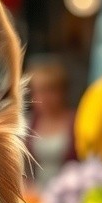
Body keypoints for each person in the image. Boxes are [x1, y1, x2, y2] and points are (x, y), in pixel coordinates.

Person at [24, 58, 76, 193]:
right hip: (37, 199)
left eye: (50, 91)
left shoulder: (77, 122)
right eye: (38, 91)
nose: (43, 98)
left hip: (70, 196)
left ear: (62, 91)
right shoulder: (28, 124)